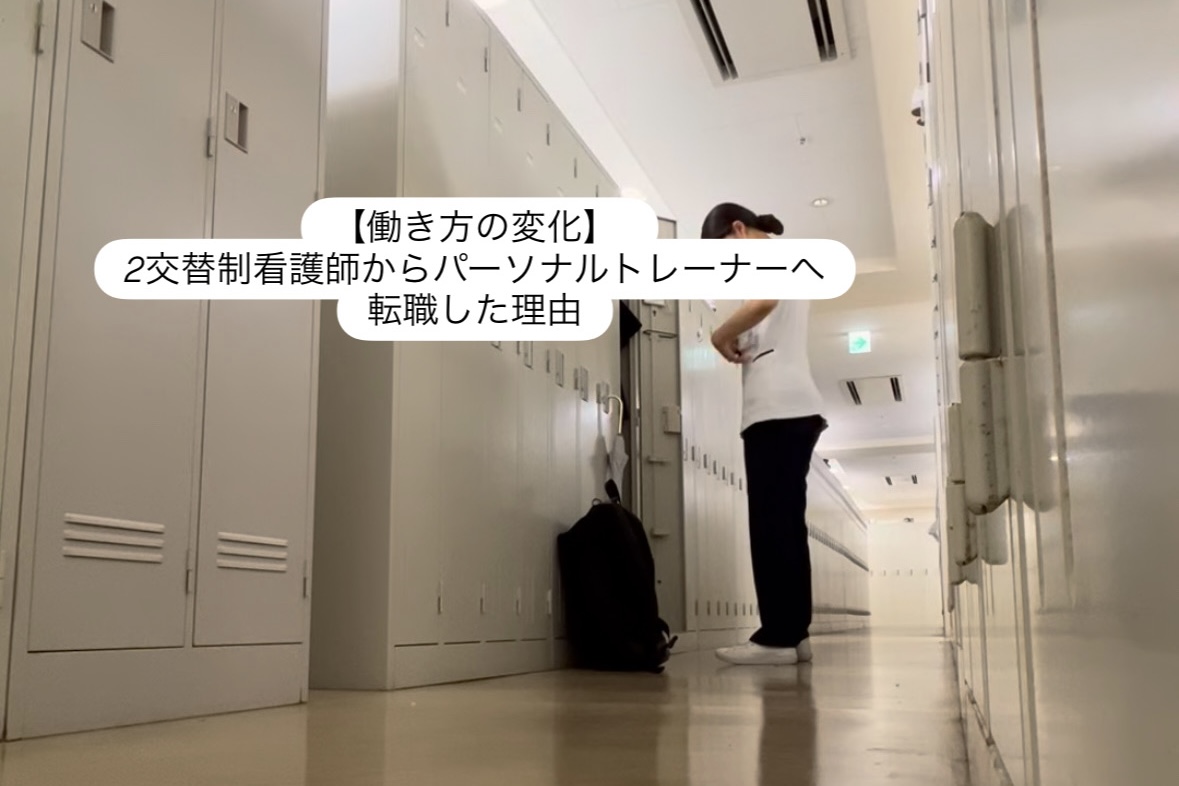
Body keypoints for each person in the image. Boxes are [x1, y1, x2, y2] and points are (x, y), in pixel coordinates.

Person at [700, 202, 828, 667]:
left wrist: (719, 335)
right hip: (791, 407)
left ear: (738, 229)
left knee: (772, 527)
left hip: (777, 410)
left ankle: (778, 637)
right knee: (785, 525)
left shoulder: (768, 256)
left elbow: (764, 301)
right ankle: (795, 634)